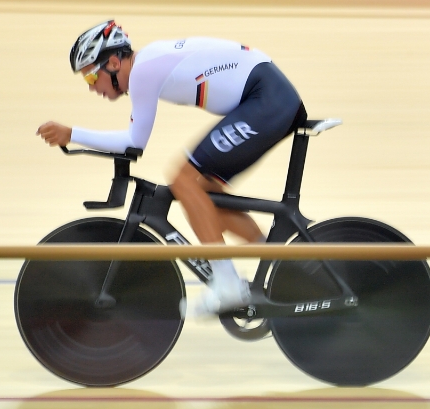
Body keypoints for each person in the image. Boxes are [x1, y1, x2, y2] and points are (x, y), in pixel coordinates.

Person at [37, 20, 307, 317]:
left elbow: (133, 141)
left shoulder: (142, 70)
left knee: (184, 181)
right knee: (203, 194)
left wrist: (72, 134)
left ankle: (228, 283)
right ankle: (287, 264)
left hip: (267, 99)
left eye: (91, 78)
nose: (92, 89)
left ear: (114, 62)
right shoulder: (148, 63)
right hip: (268, 97)